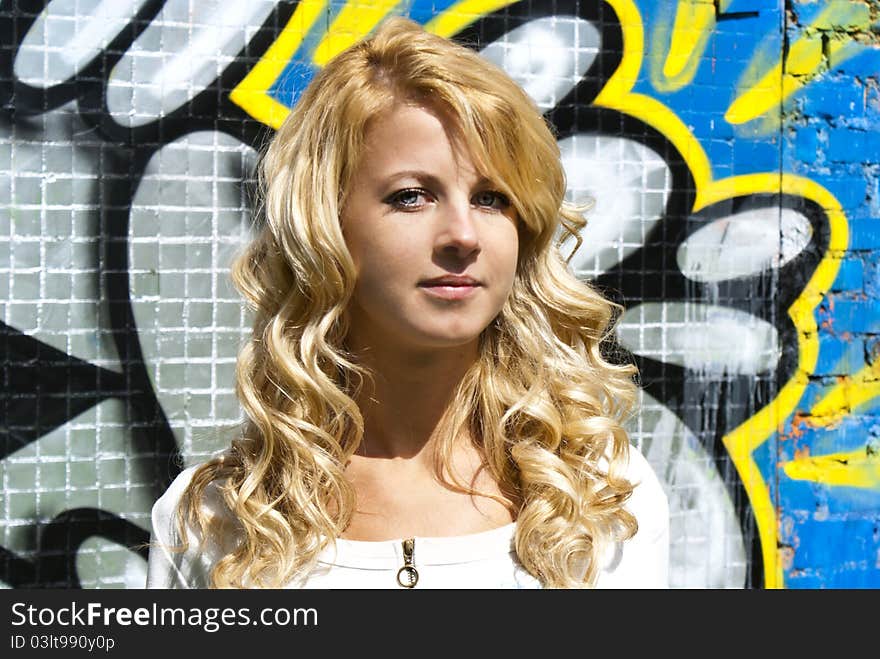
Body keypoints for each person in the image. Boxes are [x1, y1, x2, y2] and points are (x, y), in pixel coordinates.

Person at [145, 16, 669, 589]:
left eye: (493, 198)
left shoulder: (601, 498)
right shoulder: (218, 520)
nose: (463, 235)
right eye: (412, 196)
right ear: (326, 224)